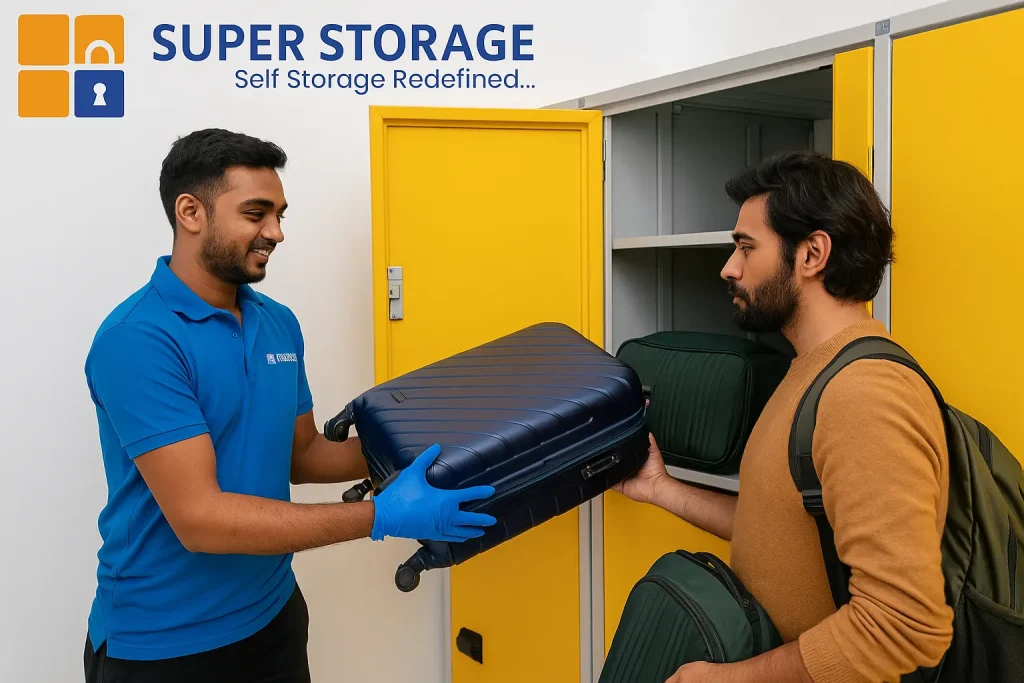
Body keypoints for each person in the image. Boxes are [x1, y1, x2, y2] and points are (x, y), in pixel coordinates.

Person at [81, 128, 497, 682]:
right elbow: (201, 520)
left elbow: (303, 454)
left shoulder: (277, 322)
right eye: (256, 213)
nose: (275, 232)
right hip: (164, 644)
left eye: (279, 215)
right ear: (190, 212)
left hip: (274, 614)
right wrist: (381, 516)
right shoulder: (139, 339)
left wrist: (430, 441)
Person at [614, 150, 954, 683]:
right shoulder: (813, 371)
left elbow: (901, 626)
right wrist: (660, 488)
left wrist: (725, 680)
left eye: (747, 247)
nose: (729, 267)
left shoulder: (865, 395)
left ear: (813, 253)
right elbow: (781, 529)